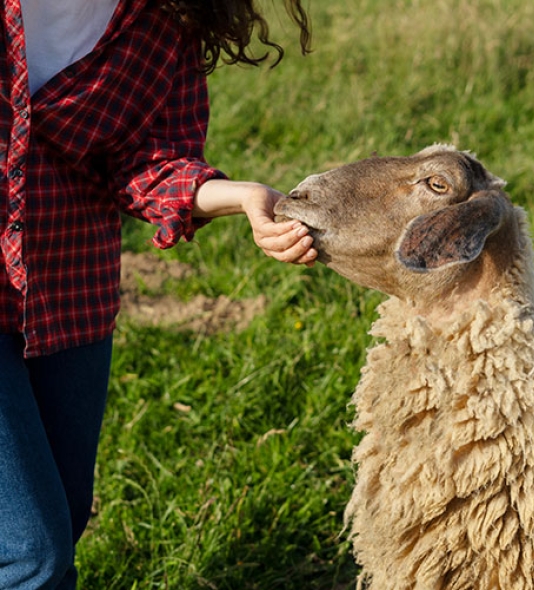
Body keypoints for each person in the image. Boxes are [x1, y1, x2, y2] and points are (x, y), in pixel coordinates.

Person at [0, 0, 315, 587]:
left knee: (61, 521)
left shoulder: (163, 20)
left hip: (70, 289)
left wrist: (239, 195)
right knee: (31, 553)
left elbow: (142, 160)